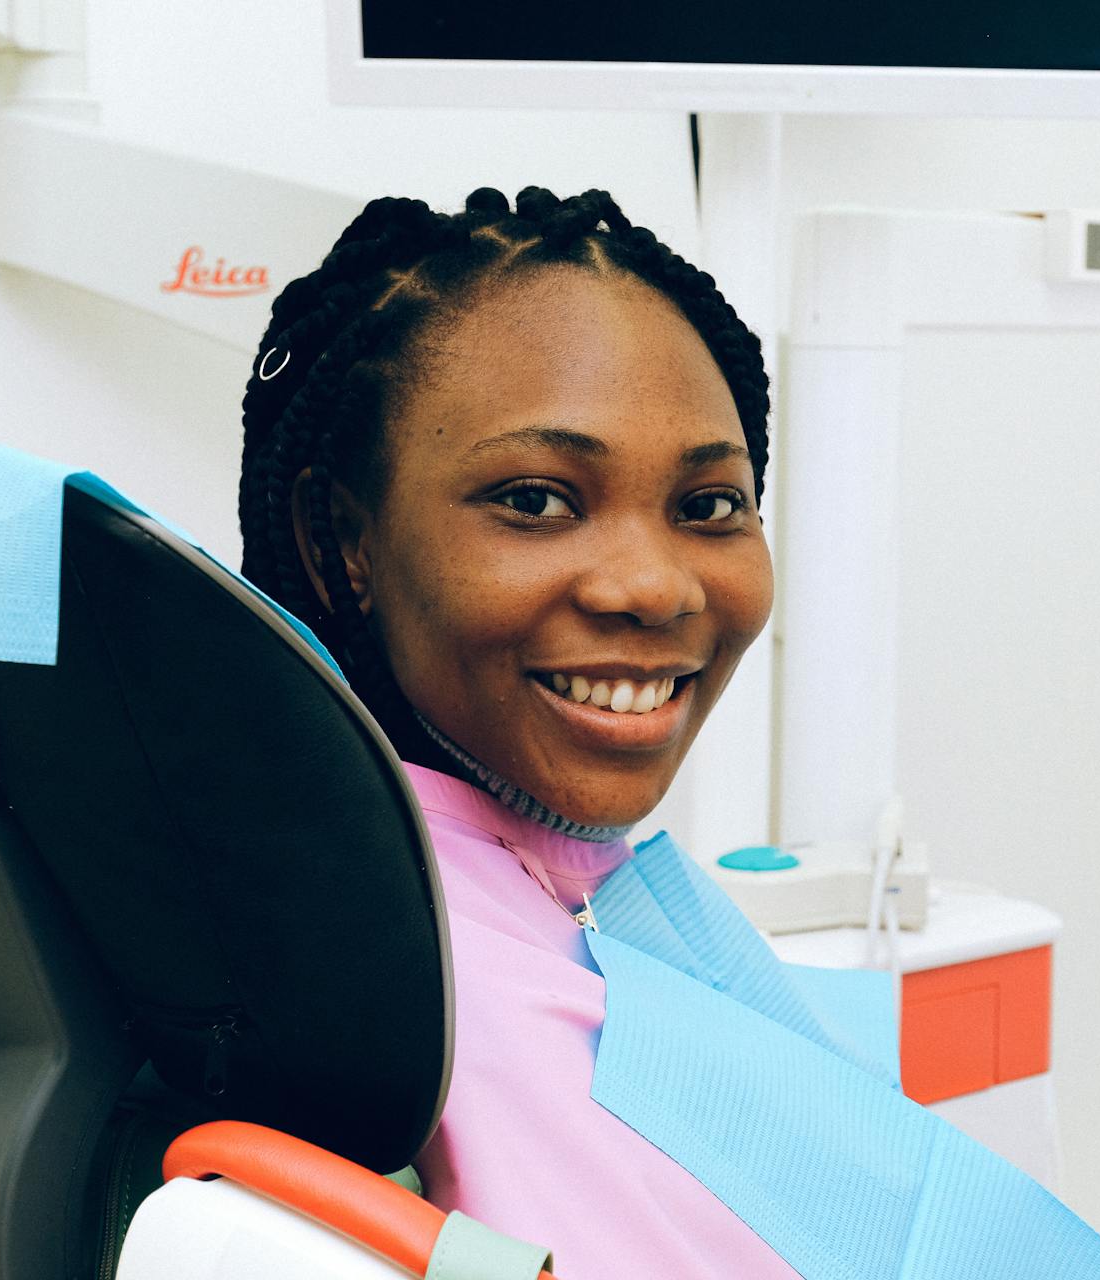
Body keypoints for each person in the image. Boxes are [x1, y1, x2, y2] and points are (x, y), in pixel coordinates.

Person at [237, 185, 796, 1277]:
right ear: (341, 537)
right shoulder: (423, 1000)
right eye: (537, 500)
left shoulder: (550, 892)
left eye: (710, 505)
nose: (652, 585)